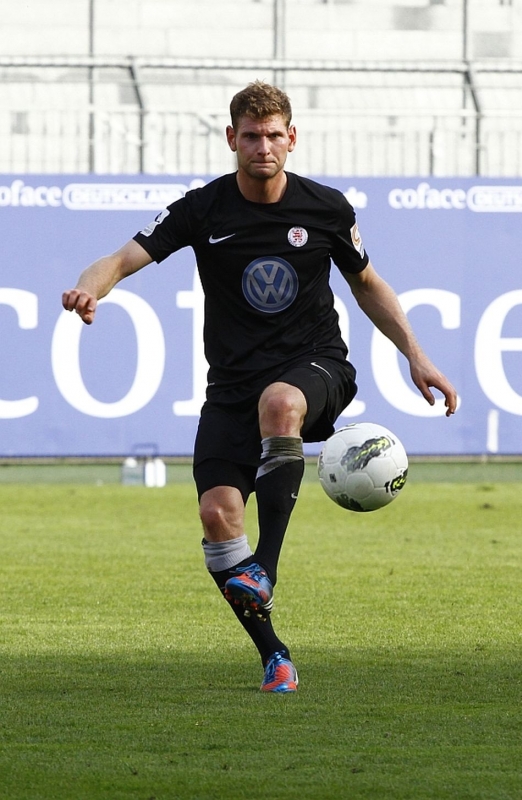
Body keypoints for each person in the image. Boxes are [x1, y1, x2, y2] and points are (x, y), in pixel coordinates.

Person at [62, 81, 457, 694]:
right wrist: (90, 289)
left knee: (280, 402)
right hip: (230, 389)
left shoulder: (326, 208)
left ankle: (265, 567)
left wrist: (417, 355)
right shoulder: (203, 209)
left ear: (292, 138)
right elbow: (117, 260)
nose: (263, 146)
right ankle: (274, 654)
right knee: (217, 516)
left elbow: (368, 284)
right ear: (232, 139)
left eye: (274, 135)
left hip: (317, 368)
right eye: (251, 136)